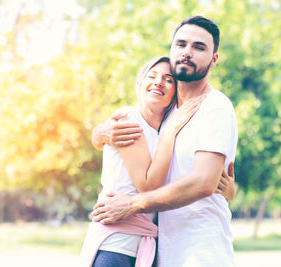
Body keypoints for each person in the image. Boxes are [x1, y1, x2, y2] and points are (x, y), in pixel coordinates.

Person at [92, 16, 238, 267]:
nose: (187, 52)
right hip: (159, 252)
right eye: (180, 44)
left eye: (199, 47)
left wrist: (133, 204)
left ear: (214, 59)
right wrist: (101, 134)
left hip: (202, 252)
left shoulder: (216, 106)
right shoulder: (166, 114)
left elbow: (204, 182)